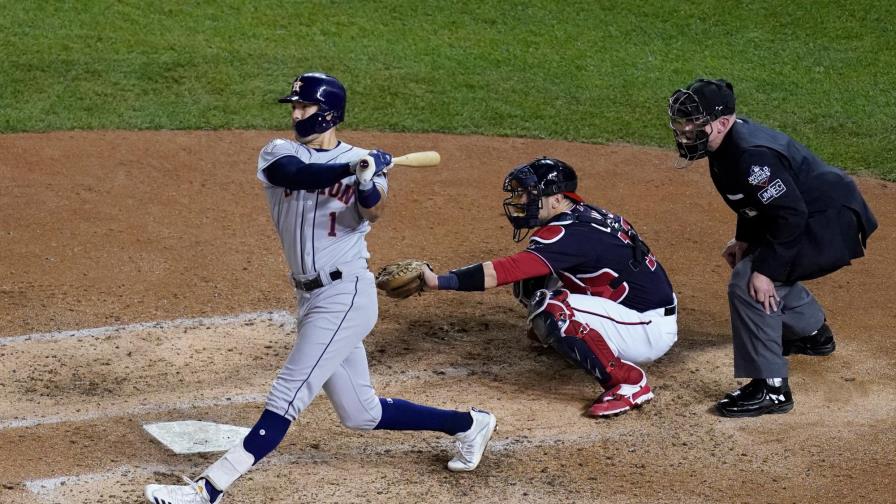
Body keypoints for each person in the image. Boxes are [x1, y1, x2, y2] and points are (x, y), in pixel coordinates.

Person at [145, 72, 496, 504]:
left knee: (286, 395)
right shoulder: (279, 151)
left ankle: (208, 489)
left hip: (346, 295)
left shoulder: (364, 162)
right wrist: (353, 168)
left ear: (327, 112)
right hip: (309, 297)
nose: (295, 114)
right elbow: (296, 175)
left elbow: (373, 213)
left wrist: (368, 180)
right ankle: (468, 424)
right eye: (293, 106)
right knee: (360, 413)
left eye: (303, 107)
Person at [667, 78, 878, 418]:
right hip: (809, 215)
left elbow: (790, 215)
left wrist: (765, 270)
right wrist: (745, 240)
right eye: (683, 121)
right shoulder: (726, 145)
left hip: (828, 225)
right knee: (751, 262)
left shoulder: (750, 155)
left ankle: (771, 388)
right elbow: (754, 203)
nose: (684, 130)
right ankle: (812, 334)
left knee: (748, 283)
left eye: (694, 122)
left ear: (721, 122)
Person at [420, 157, 678, 418]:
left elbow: (503, 271)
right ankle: (582, 340)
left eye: (530, 194)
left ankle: (629, 381)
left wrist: (439, 281)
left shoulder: (569, 234)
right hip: (635, 308)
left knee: (553, 307)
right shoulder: (585, 215)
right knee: (533, 281)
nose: (522, 202)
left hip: (647, 329)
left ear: (556, 199)